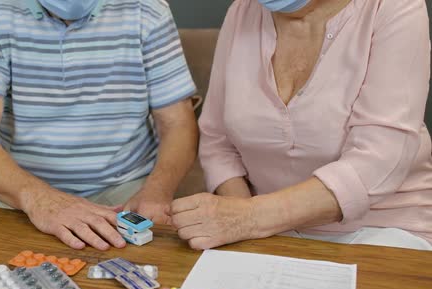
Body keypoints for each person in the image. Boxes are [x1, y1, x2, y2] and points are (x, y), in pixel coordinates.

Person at [0, 0, 199, 251]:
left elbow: (178, 124)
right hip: (21, 188)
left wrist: (157, 192)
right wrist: (42, 200)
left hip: (126, 186)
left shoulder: (147, 11)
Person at [171, 0, 432, 251]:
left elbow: (379, 160)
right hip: (267, 232)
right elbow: (217, 140)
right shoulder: (243, 11)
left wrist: (250, 218)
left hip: (382, 229)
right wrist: (240, 221)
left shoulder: (394, 6)